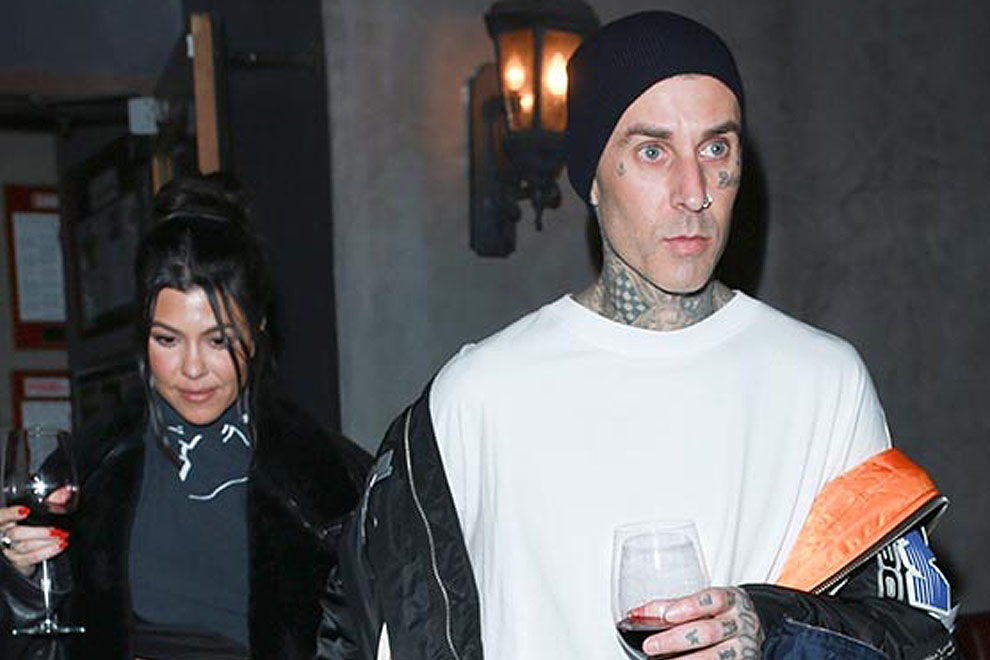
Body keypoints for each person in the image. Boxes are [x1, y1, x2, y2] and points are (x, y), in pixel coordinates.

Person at [318, 10, 960, 660]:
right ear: (592, 179)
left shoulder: (824, 382)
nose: (693, 191)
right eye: (653, 151)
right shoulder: (478, 397)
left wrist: (771, 629)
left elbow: (918, 633)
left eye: (715, 148)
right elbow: (380, 630)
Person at [0, 174, 370, 660]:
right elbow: (43, 648)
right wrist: (22, 581)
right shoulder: (89, 470)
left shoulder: (331, 481)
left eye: (218, 340)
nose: (193, 368)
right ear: (143, 337)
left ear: (258, 330)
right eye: (167, 339)